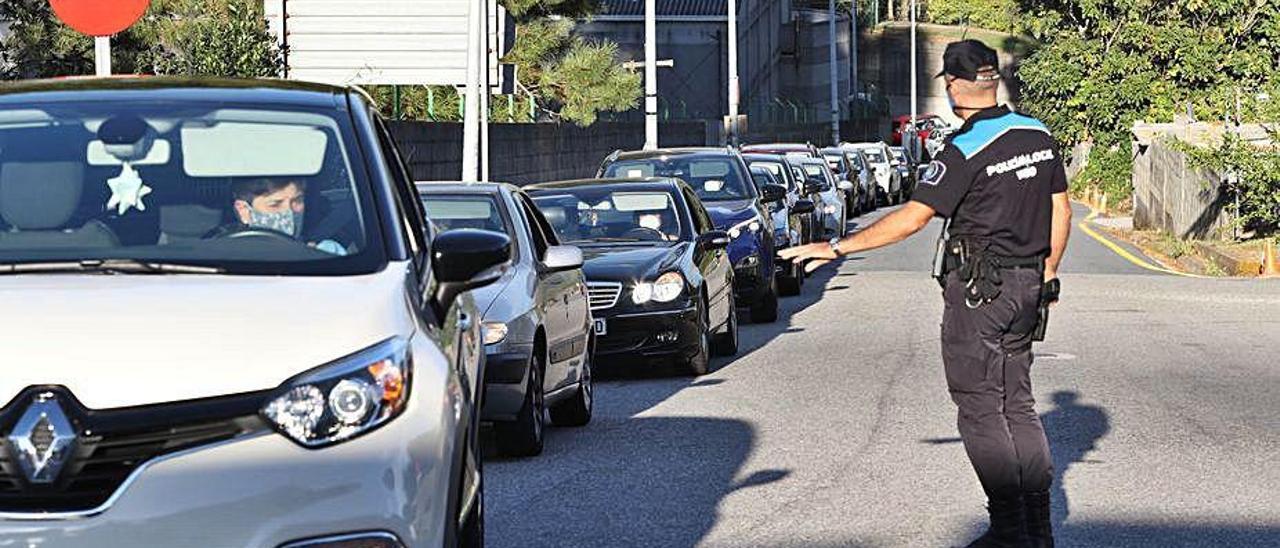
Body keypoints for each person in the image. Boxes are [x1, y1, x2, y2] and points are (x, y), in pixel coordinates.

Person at [781, 39, 1073, 548]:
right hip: (1028, 284)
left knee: (981, 408)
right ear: (994, 80)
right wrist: (1046, 273)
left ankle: (1009, 531)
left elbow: (914, 217)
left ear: (956, 86)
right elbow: (1061, 212)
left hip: (981, 292)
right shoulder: (1038, 135)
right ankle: (1037, 529)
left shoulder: (964, 148)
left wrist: (837, 246)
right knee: (1018, 404)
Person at [221, 178, 346, 255]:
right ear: (244, 211)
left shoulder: (327, 252)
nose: (289, 211)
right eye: (275, 204)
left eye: (297, 201)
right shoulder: (222, 256)